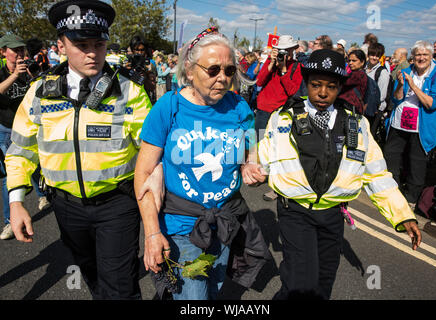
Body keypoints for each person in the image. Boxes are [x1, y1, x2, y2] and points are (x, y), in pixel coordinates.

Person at [5, 0, 152, 299]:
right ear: (60, 46)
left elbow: (152, 153)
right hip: (66, 207)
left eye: (98, 44)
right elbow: (20, 149)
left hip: (117, 206)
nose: (91, 53)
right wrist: (16, 201)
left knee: (120, 287)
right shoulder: (39, 92)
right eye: (80, 44)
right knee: (92, 275)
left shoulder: (129, 91)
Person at [248, 49, 422, 300]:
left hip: (332, 216)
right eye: (315, 85)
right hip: (295, 213)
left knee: (321, 286)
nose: (322, 92)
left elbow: (376, 174)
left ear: (340, 86)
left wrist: (402, 214)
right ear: (306, 84)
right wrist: (252, 167)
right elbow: (261, 154)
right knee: (300, 285)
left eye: (330, 86)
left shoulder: (356, 124)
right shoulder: (282, 117)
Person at [134, 26, 269, 300]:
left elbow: (249, 151)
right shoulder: (168, 108)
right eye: (213, 69)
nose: (222, 78)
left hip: (225, 224)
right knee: (193, 298)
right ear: (190, 68)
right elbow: (144, 173)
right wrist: (151, 234)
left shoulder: (238, 107)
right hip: (181, 227)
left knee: (214, 290)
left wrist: (249, 165)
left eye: (229, 70)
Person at [384, 40, 436, 208]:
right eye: (418, 54)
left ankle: (411, 198)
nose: (421, 58)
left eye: (425, 54)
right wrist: (400, 84)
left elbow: (431, 103)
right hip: (399, 124)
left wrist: (412, 85)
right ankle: (393, 191)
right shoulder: (405, 71)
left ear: (431, 56)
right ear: (413, 56)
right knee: (391, 156)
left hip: (421, 127)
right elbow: (396, 98)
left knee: (416, 163)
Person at [0, 34, 49, 240]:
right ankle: (10, 220)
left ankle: (42, 195)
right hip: (7, 129)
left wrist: (32, 74)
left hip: (30, 127)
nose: (20, 53)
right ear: (3, 52)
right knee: (9, 176)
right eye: (14, 50)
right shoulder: (2, 71)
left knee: (37, 165)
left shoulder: (29, 67)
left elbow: (42, 91)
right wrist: (14, 75)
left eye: (21, 49)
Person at [254, 35, 303, 201]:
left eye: (287, 50)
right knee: (260, 145)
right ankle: (260, 173)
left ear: (293, 50)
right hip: (263, 109)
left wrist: (283, 70)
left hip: (280, 113)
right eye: (282, 50)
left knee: (278, 149)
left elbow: (293, 91)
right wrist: (271, 62)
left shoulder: (297, 67)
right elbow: (259, 82)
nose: (285, 53)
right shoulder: (271, 61)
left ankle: (276, 186)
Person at [337, 49, 368, 114]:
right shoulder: (355, 73)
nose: (350, 63)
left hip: (351, 109)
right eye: (349, 61)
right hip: (350, 107)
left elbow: (341, 81)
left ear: (362, 62)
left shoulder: (359, 75)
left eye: (354, 61)